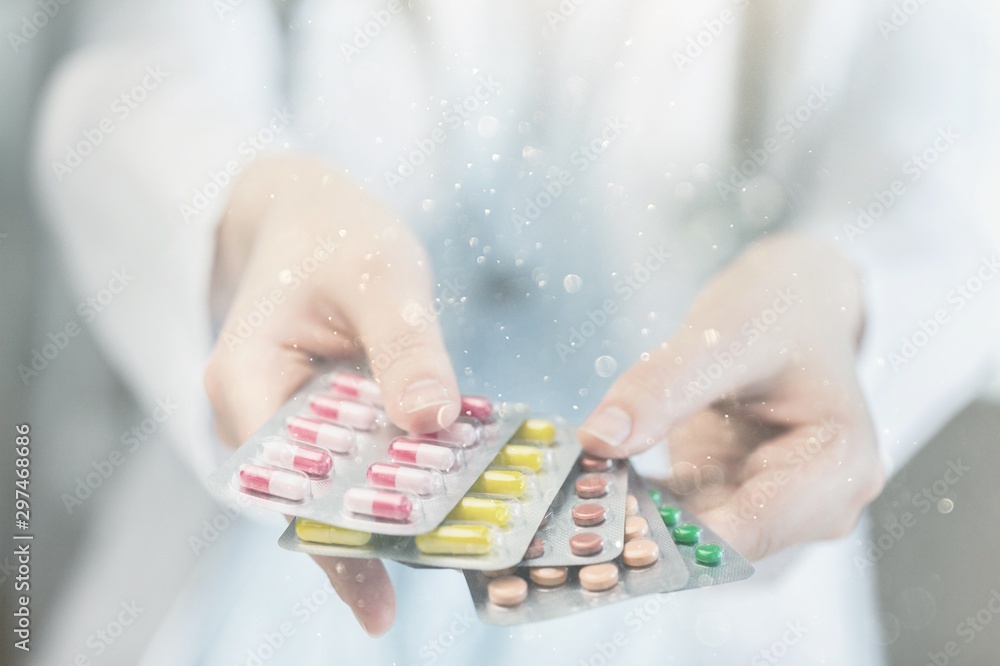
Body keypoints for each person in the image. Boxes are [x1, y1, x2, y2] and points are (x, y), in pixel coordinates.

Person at [32, 0, 1000, 663]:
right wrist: (242, 211)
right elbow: (132, 72)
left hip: (694, 555)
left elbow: (956, 159)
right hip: (259, 575)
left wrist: (846, 299)